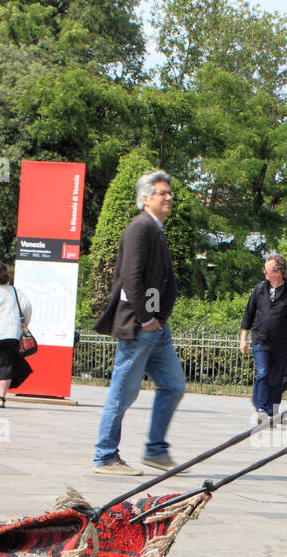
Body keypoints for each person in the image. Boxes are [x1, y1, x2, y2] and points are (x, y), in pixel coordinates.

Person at [92, 170, 185, 476]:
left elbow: (158, 282)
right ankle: (105, 455)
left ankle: (156, 451)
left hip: (156, 327)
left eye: (169, 193)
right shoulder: (140, 228)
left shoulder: (155, 229)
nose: (168, 197)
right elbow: (131, 278)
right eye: (161, 193)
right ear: (145, 199)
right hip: (138, 326)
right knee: (123, 391)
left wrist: (158, 319)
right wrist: (145, 318)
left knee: (173, 385)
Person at [239, 254, 287, 422]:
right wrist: (243, 338)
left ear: (277, 272)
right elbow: (248, 314)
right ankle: (261, 408)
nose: (265, 272)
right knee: (263, 372)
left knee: (277, 378)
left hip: (282, 343)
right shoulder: (259, 289)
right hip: (261, 339)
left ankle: (272, 411)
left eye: (267, 269)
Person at [0, 262, 33, 408]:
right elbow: (26, 309)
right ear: (7, 275)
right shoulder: (15, 291)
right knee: (5, 366)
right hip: (9, 333)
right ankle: (1, 398)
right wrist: (22, 326)